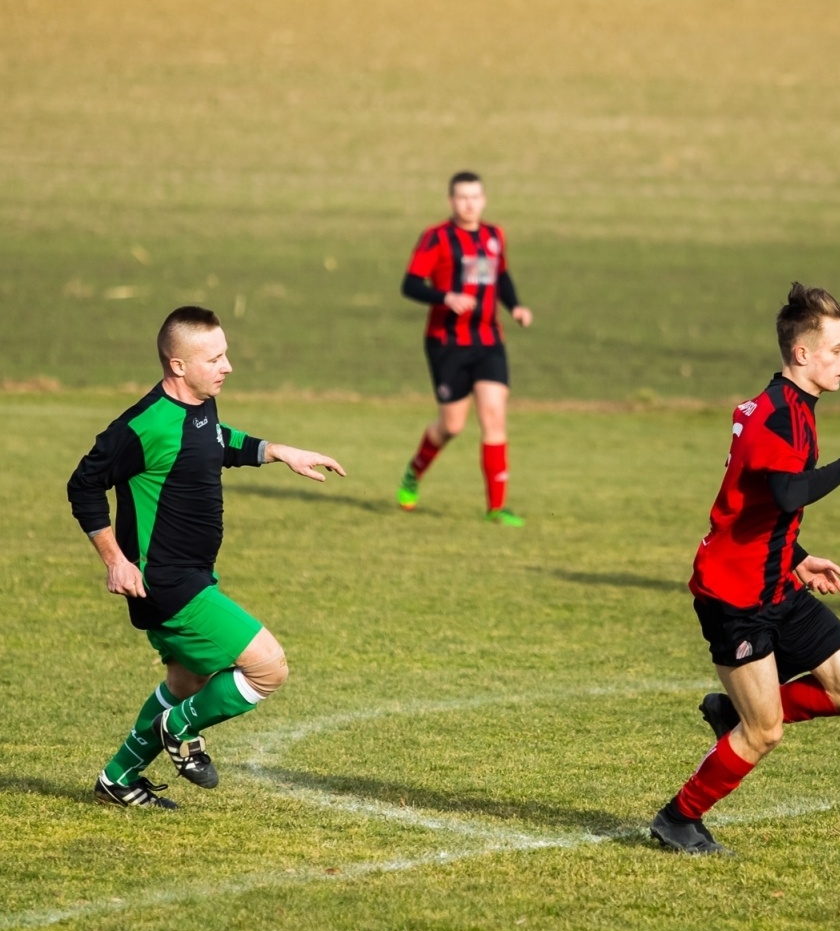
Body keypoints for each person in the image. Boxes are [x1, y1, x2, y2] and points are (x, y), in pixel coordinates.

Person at [68, 307, 345, 808]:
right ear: (178, 365)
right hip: (166, 583)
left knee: (186, 681)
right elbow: (83, 485)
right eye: (214, 357)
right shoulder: (143, 425)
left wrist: (280, 451)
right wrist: (114, 559)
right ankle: (178, 728)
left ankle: (117, 778)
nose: (228, 366)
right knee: (268, 668)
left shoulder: (199, 407)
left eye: (226, 354)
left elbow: (218, 443)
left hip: (193, 575)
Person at [649, 283, 840, 854]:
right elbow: (786, 494)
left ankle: (733, 711)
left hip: (776, 581)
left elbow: (755, 504)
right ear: (802, 354)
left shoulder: (795, 408)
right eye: (838, 350)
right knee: (765, 732)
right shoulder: (778, 417)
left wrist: (799, 559)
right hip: (736, 598)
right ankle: (678, 819)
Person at [396, 171, 533, 524]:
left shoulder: (494, 235)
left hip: (489, 341)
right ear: (451, 201)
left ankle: (497, 507)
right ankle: (414, 471)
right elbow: (410, 284)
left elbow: (500, 275)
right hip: (447, 344)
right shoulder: (437, 237)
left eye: (475, 197)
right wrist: (446, 296)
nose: (469, 203)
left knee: (493, 415)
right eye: (462, 197)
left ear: (483, 200)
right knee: (451, 425)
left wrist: (515, 305)